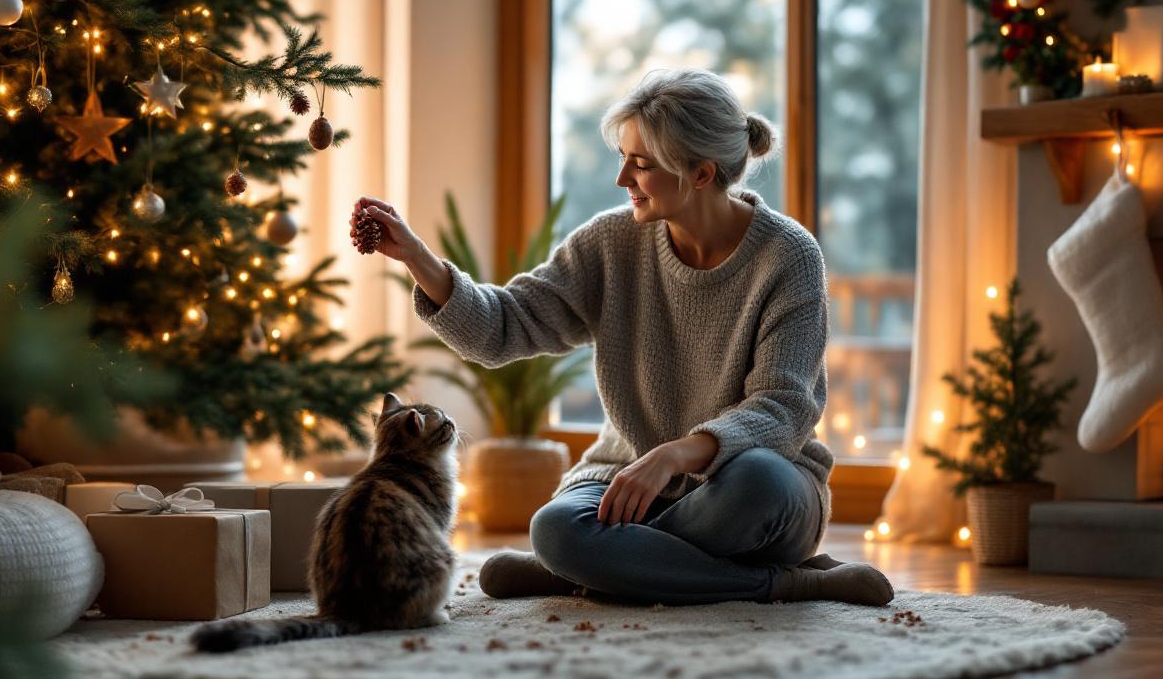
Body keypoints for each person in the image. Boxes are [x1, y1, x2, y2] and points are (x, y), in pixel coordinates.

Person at [358, 68, 893, 607]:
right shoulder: (611, 243)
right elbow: (501, 329)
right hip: (624, 479)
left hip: (755, 490)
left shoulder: (788, 257)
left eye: (640, 164)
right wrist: (416, 257)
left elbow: (782, 408)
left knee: (757, 484)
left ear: (701, 173)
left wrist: (674, 456)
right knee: (555, 528)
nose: (622, 179)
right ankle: (783, 583)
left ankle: (591, 567)